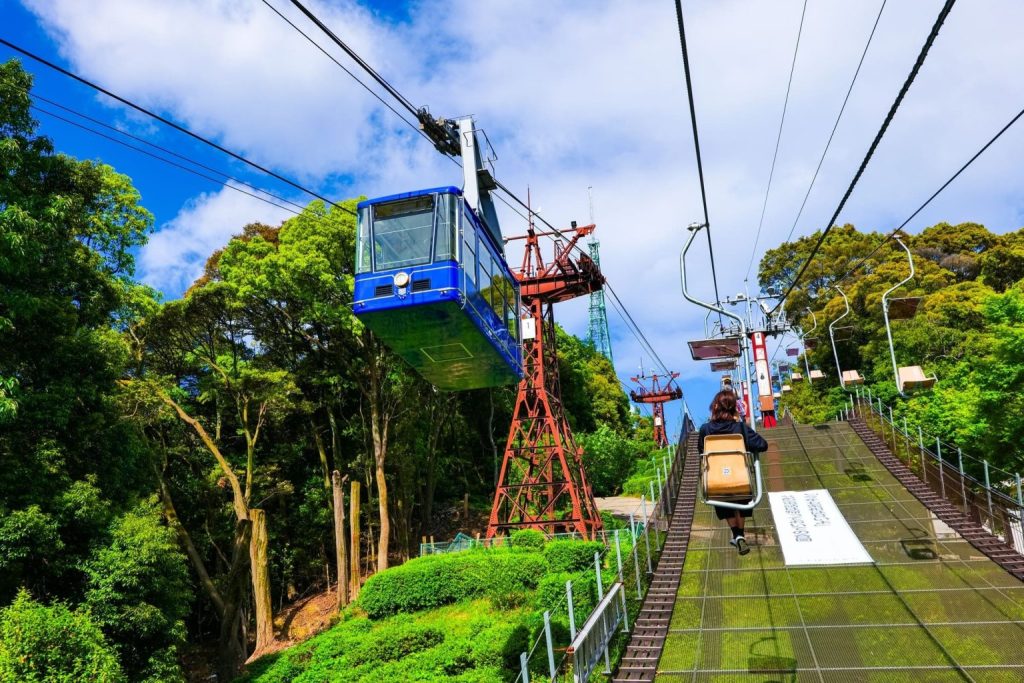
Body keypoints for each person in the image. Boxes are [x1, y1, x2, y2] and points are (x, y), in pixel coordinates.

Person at [698, 389, 768, 555]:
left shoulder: (705, 430)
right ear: (734, 408)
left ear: (715, 407)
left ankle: (737, 535)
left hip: (715, 483)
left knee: (724, 494)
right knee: (739, 493)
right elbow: (762, 445)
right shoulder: (741, 428)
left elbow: (701, 450)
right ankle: (739, 534)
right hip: (740, 480)